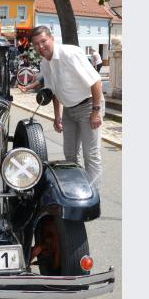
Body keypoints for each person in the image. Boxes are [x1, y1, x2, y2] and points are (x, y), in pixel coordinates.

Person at [30, 26, 103, 186]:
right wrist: (58, 117)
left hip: (88, 105)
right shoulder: (44, 63)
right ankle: (76, 190)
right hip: (69, 109)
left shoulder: (70, 54)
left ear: (52, 39)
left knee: (91, 155)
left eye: (43, 41)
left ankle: (92, 197)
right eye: (36, 44)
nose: (40, 47)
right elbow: (53, 92)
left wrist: (96, 111)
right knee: (69, 155)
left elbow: (96, 81)